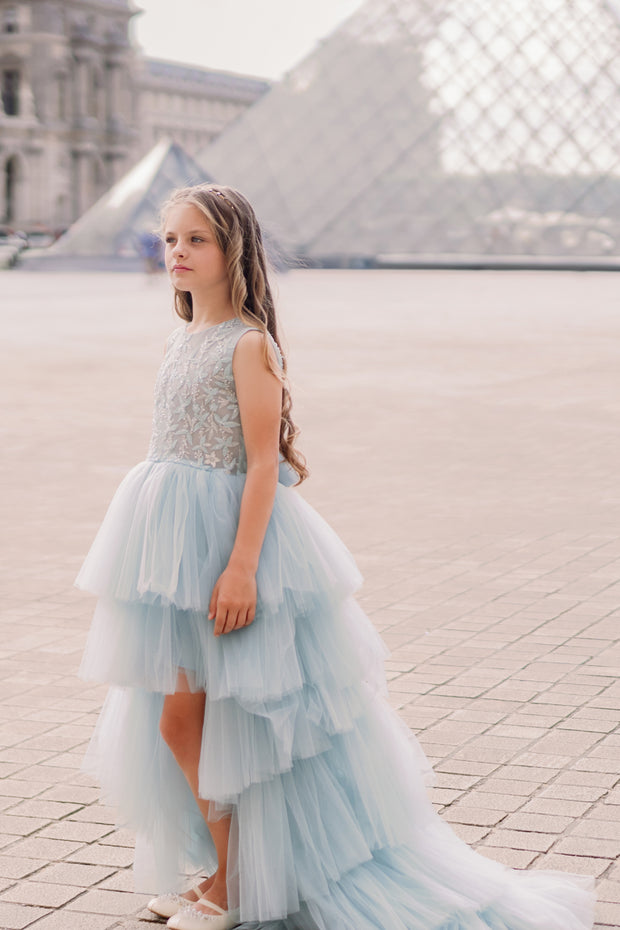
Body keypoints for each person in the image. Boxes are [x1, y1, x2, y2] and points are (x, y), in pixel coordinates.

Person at [76, 184, 595, 930]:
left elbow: (261, 464)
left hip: (226, 547)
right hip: (166, 552)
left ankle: (233, 885)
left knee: (217, 728)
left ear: (234, 251)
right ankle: (227, 873)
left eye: (196, 241)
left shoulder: (249, 344)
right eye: (169, 240)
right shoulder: (182, 335)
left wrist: (241, 567)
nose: (178, 254)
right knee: (178, 722)